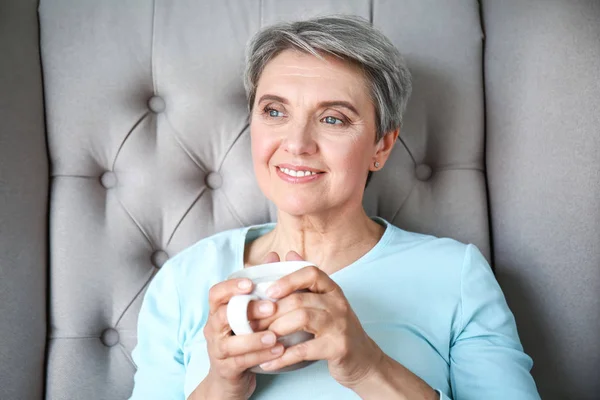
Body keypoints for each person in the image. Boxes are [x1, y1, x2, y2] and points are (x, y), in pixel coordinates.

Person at [129, 15, 540, 400]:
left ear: (381, 146)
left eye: (333, 119)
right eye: (275, 111)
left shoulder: (457, 275)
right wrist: (221, 385)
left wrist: (368, 367)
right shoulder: (183, 281)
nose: (296, 143)